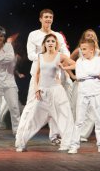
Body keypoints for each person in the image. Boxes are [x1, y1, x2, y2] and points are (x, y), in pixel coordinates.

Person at [17, 9, 71, 146]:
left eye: (50, 17)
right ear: (40, 19)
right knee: (31, 106)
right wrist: (47, 56)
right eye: (46, 17)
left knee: (57, 107)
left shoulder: (57, 36)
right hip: (38, 76)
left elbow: (65, 52)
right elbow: (30, 54)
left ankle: (55, 136)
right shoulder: (34, 35)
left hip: (55, 76)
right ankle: (20, 137)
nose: (48, 19)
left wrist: (60, 60)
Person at [67, 39, 100, 153]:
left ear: (92, 50)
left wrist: (88, 74)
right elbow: (80, 75)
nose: (82, 51)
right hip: (83, 91)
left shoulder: (98, 59)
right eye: (81, 49)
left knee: (98, 119)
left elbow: (98, 72)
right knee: (79, 120)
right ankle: (74, 145)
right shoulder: (80, 61)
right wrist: (89, 73)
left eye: (85, 49)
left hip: (95, 91)